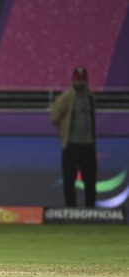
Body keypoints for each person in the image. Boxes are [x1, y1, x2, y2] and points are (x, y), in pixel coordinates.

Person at [51, 66, 97, 207]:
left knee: (90, 180)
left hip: (88, 145)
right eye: (78, 79)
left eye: (83, 79)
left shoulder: (90, 96)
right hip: (71, 146)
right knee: (69, 180)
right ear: (73, 80)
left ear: (87, 80)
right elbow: (54, 117)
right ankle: (71, 210)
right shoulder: (66, 97)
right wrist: (63, 132)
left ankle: (90, 211)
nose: (80, 82)